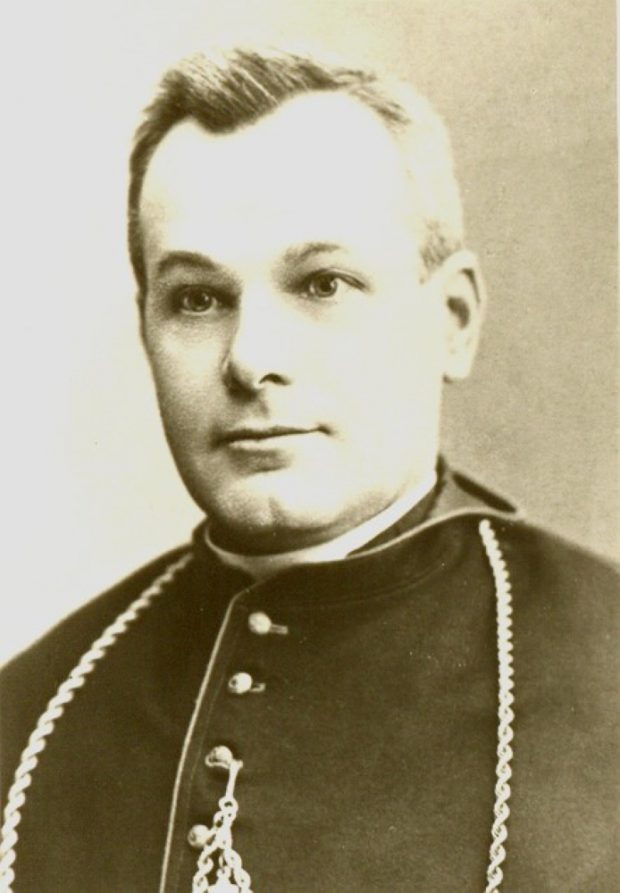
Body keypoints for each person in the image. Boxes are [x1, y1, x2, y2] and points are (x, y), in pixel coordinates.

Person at [0, 47, 616, 893]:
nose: (251, 360)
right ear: (146, 331)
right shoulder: (29, 719)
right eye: (197, 298)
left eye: (322, 284)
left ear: (454, 320)